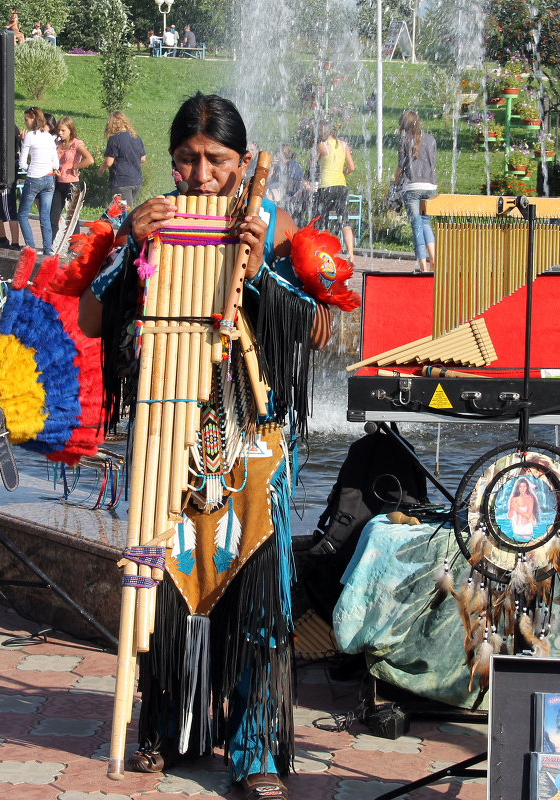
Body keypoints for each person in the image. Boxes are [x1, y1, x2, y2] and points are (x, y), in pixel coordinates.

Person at [78, 92, 332, 800]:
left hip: (251, 441)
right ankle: (172, 727)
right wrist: (131, 248)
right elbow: (94, 318)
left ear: (242, 161)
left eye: (216, 160)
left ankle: (255, 747)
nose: (201, 175)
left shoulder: (275, 233)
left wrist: (258, 277)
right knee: (164, 588)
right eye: (187, 160)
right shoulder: (150, 223)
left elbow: (322, 332)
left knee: (257, 597)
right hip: (170, 438)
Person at [394, 110, 437, 272]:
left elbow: (400, 166)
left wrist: (396, 181)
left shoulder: (404, 140)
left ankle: (422, 265)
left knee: (416, 224)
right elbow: (432, 164)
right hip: (430, 186)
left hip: (412, 186)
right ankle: (433, 257)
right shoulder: (431, 139)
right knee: (426, 223)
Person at [311, 122, 356, 263]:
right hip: (341, 186)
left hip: (325, 186)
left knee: (322, 221)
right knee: (345, 221)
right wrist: (343, 173)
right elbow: (352, 167)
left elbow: (311, 164)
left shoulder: (321, 146)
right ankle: (351, 255)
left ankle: (325, 255)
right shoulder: (343, 145)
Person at [18, 106, 59, 256]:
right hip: (49, 179)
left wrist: (27, 167)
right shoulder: (49, 136)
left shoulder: (30, 135)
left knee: (22, 214)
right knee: (45, 215)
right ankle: (47, 249)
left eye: (27, 119)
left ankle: (31, 247)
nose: (25, 122)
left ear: (33, 120)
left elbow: (22, 161)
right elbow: (55, 162)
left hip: (34, 178)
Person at [51, 116, 95, 235]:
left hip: (72, 184)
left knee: (72, 218)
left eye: (63, 130)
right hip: (58, 183)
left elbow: (90, 159)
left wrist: (75, 166)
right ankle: (54, 245)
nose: (60, 133)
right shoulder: (57, 144)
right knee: (53, 217)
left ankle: (74, 247)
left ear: (70, 130)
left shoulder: (76, 144)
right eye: (58, 130)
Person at [98, 111, 146, 208]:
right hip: (137, 180)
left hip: (122, 181)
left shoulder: (114, 139)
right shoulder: (136, 137)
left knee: (125, 213)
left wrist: (101, 169)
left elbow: (108, 162)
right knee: (118, 210)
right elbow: (143, 158)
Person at [0, 126, 22, 250]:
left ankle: (15, 243)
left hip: (6, 175)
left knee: (9, 209)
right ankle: (2, 238)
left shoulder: (9, 127)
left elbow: (12, 152)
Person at [507, 476, 540, 541]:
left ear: (527, 487)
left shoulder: (530, 499)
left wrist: (516, 509)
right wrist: (512, 508)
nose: (522, 489)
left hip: (527, 528)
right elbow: (509, 516)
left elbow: (528, 516)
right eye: (520, 486)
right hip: (517, 528)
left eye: (524, 486)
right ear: (518, 488)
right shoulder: (514, 499)